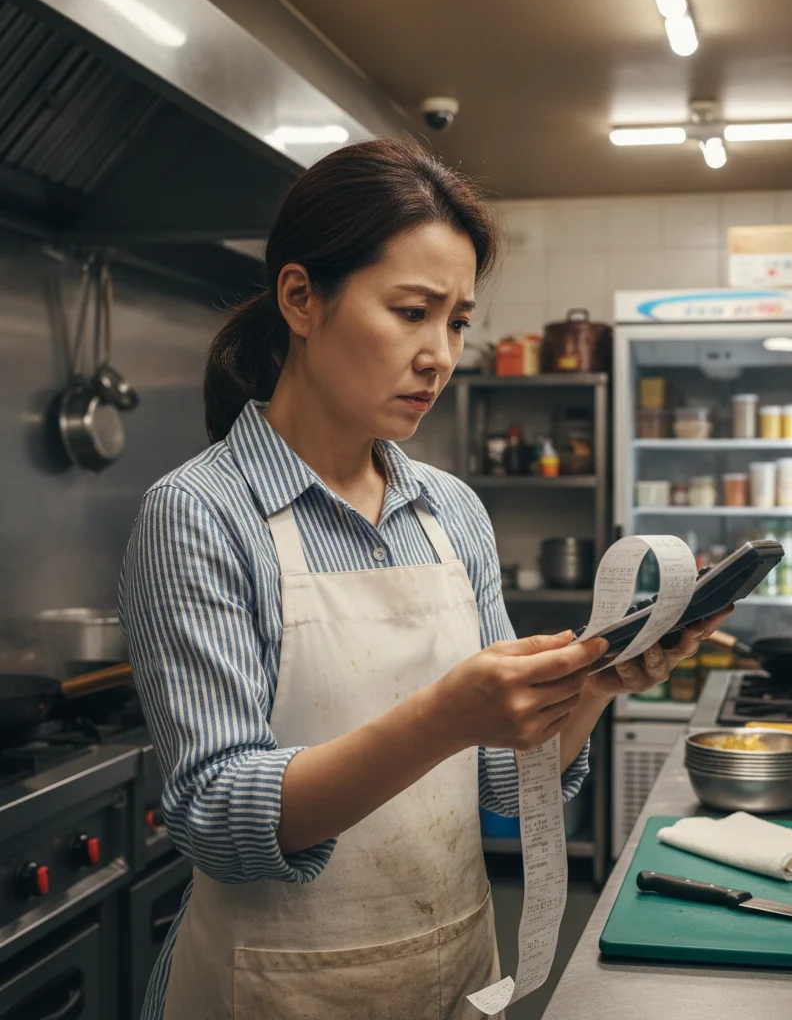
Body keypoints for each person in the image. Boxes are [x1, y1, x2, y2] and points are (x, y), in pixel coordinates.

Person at [119, 137, 730, 1020]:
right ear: (301, 297)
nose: (440, 354)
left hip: (449, 971)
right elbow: (217, 815)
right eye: (411, 311)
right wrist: (443, 716)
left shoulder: (450, 510)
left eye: (457, 322)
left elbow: (501, 785)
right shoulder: (200, 514)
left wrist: (594, 684)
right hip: (276, 990)